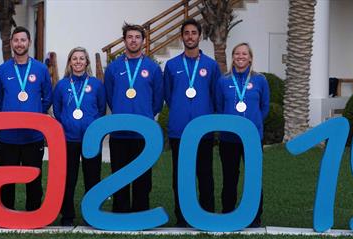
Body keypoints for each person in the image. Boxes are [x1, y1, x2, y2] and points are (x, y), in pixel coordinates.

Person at [162, 19, 221, 227]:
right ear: (182, 36)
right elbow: (168, 95)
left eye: (194, 33)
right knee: (180, 176)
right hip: (179, 131)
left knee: (205, 174)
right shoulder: (171, 65)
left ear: (199, 36)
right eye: (186, 33)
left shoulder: (211, 66)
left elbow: (216, 96)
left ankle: (207, 216)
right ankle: (182, 217)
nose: (190, 36)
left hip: (203, 131)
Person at [103, 23, 163, 213]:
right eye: (130, 37)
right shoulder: (114, 68)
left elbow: (157, 100)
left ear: (143, 41)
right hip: (119, 133)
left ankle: (140, 211)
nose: (133, 40)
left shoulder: (152, 68)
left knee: (143, 178)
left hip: (143, 134)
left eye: (137, 37)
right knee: (119, 175)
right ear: (124, 40)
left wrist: (144, 116)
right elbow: (110, 96)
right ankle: (120, 212)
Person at [0, 26, 52, 211]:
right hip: (8, 136)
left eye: (23, 40)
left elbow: (47, 97)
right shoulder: (2, 70)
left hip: (33, 136)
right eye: (16, 40)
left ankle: (33, 213)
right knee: (7, 179)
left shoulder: (41, 69)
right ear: (11, 43)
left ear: (29, 43)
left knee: (34, 177)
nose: (19, 44)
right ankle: (6, 213)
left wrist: (35, 114)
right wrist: (11, 113)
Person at [214, 43, 269, 228]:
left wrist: (254, 125)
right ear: (233, 57)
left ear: (251, 57)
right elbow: (219, 106)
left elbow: (265, 107)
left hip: (252, 138)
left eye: (244, 53)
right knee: (230, 177)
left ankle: (255, 217)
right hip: (228, 138)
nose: (240, 56)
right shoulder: (223, 80)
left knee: (253, 177)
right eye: (237, 53)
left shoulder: (260, 80)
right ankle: (228, 213)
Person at [51, 47, 105, 226]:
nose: (78, 62)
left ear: (87, 62)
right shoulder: (62, 85)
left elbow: (101, 109)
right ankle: (67, 215)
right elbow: (58, 111)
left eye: (82, 58)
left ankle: (93, 215)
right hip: (69, 139)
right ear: (69, 62)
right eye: (75, 58)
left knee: (92, 177)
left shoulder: (96, 84)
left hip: (91, 139)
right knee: (69, 178)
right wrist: (68, 123)